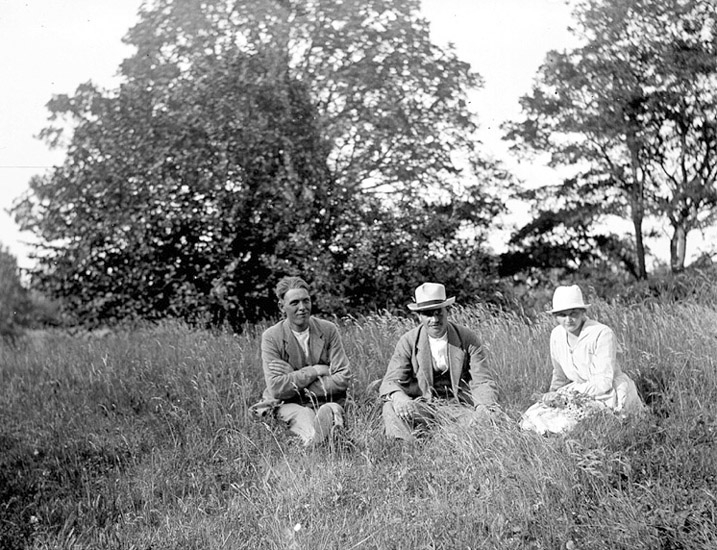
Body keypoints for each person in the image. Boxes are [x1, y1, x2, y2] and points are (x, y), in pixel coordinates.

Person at [378, 282, 499, 442]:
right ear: (419, 316)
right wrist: (399, 397)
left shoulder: (467, 338)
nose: (435, 320)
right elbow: (391, 381)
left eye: (438, 313)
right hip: (423, 406)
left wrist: (483, 407)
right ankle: (406, 447)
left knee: (492, 416)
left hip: (460, 408)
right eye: (428, 314)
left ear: (447, 311)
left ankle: (447, 436)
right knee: (390, 406)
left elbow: (482, 380)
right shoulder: (408, 341)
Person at [520, 284, 644, 434]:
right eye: (562, 315)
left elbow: (603, 383)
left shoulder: (601, 333)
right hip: (575, 392)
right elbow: (559, 374)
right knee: (532, 418)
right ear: (555, 317)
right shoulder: (557, 335)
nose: (568, 320)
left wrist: (563, 395)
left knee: (567, 425)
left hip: (608, 393)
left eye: (573, 313)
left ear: (582, 312)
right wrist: (552, 393)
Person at [253, 276, 352, 446]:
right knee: (303, 415)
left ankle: (326, 435)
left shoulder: (328, 330)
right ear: (282, 307)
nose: (302, 308)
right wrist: (315, 371)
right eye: (294, 303)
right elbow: (276, 388)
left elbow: (343, 378)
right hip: (289, 403)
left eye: (306, 301)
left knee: (331, 409)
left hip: (326, 400)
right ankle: (319, 440)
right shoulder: (272, 337)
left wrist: (293, 376)